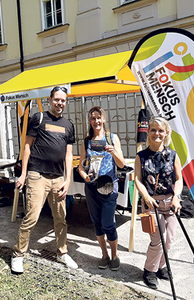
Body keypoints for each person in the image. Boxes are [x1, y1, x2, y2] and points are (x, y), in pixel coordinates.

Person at [11, 86, 78, 274]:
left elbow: (68, 155)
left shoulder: (68, 125)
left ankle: (62, 253)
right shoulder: (38, 118)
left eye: (63, 100)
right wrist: (24, 174)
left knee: (61, 219)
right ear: (50, 100)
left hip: (58, 178)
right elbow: (27, 147)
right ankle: (18, 254)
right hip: (37, 176)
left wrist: (67, 180)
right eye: (57, 99)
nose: (60, 103)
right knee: (31, 217)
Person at [134, 116, 183, 289]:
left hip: (170, 203)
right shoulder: (141, 156)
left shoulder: (173, 155)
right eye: (153, 130)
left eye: (161, 130)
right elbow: (137, 179)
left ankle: (160, 266)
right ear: (148, 132)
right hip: (151, 204)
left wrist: (176, 196)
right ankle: (149, 271)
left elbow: (179, 179)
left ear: (166, 133)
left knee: (169, 240)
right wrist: (146, 196)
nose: (157, 133)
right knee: (158, 240)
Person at [78, 106, 125, 271]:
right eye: (93, 118)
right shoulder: (87, 141)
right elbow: (81, 166)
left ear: (104, 119)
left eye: (99, 118)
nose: (96, 121)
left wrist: (113, 152)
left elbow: (121, 164)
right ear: (90, 121)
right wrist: (85, 176)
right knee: (97, 224)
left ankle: (115, 254)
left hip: (108, 186)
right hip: (91, 187)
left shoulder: (112, 138)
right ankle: (104, 255)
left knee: (108, 224)